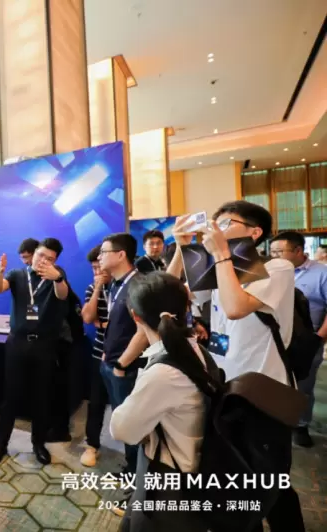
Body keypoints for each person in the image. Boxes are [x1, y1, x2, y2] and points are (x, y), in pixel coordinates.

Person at [167, 200, 305, 532]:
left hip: (264, 392)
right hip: (226, 387)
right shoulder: (219, 267)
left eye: (227, 223)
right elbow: (167, 294)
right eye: (215, 223)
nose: (216, 229)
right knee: (235, 473)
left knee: (271, 477)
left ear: (255, 233)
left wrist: (220, 256)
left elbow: (234, 307)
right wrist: (181, 248)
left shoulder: (277, 268)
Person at [110, 273, 211, 532]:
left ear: (135, 317)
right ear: (186, 307)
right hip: (193, 466)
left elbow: (122, 430)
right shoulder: (195, 349)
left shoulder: (164, 372)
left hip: (169, 480)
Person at [0, 238, 70, 466]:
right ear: (34, 253)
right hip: (17, 343)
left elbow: (62, 295)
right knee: (10, 396)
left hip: (44, 345)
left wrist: (58, 278)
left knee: (41, 396)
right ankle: (0, 444)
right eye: (41, 255)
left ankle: (38, 444)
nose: (44, 261)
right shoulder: (17, 274)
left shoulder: (57, 275)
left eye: (50, 259)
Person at [98, 233, 149, 482]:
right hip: (112, 363)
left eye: (104, 252)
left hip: (125, 368)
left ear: (120, 255)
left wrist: (121, 364)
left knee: (132, 424)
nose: (99, 257)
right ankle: (131, 469)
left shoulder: (137, 285)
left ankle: (138, 478)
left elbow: (144, 331)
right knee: (123, 419)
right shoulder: (116, 284)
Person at [269, 231, 327, 447]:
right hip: (274, 340)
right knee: (275, 382)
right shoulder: (269, 273)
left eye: (279, 251)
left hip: (307, 340)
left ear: (298, 251)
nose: (274, 256)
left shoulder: (321, 274)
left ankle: (301, 425)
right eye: (272, 252)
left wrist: (318, 338)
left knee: (303, 385)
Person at [79, 245, 111, 468]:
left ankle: (133, 450)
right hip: (99, 352)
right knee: (96, 402)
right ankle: (92, 444)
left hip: (124, 354)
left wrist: (107, 324)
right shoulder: (92, 288)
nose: (98, 272)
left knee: (124, 403)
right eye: (93, 268)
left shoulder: (123, 286)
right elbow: (88, 318)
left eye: (100, 267)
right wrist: (98, 287)